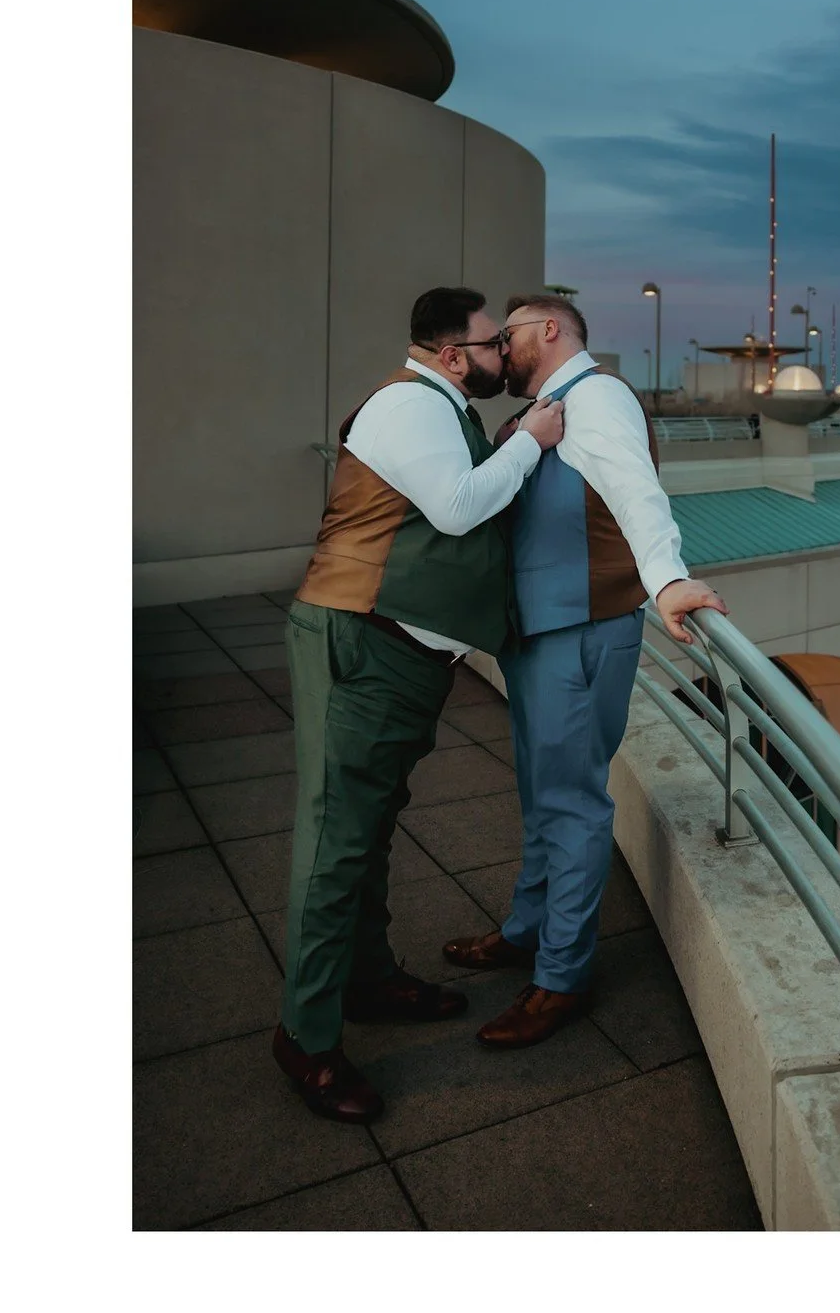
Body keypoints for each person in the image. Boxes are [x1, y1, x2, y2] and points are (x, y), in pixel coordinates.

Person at [272, 287, 564, 1123]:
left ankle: (363, 981)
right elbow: (461, 505)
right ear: (449, 354)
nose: (502, 355)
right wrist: (534, 441)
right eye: (490, 343)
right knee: (335, 843)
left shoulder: (441, 408)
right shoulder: (408, 406)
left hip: (396, 654)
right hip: (360, 645)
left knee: (368, 826)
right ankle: (307, 1036)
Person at [443, 294, 727, 1046]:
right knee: (543, 795)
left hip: (579, 635)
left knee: (570, 804)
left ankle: (560, 975)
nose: (501, 350)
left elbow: (637, 492)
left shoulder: (595, 397)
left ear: (549, 330)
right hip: (540, 636)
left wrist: (666, 579)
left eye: (507, 336)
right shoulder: (548, 408)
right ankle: (527, 930)